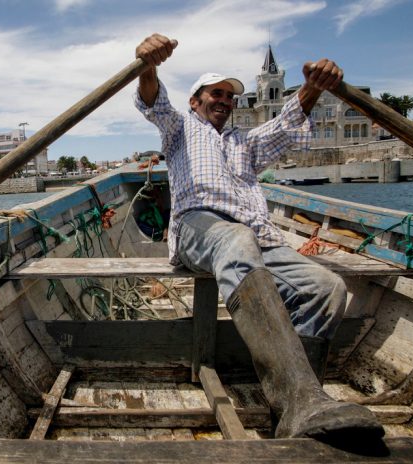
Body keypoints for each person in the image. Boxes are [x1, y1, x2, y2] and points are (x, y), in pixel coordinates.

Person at [134, 33, 383, 441]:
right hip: (201, 227)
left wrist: (313, 87)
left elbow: (287, 123)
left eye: (230, 97)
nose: (225, 101)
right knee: (235, 241)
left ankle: (301, 407)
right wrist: (148, 63)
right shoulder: (179, 129)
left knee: (325, 288)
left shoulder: (245, 142)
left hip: (257, 237)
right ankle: (299, 400)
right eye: (216, 93)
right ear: (196, 101)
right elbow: (153, 99)